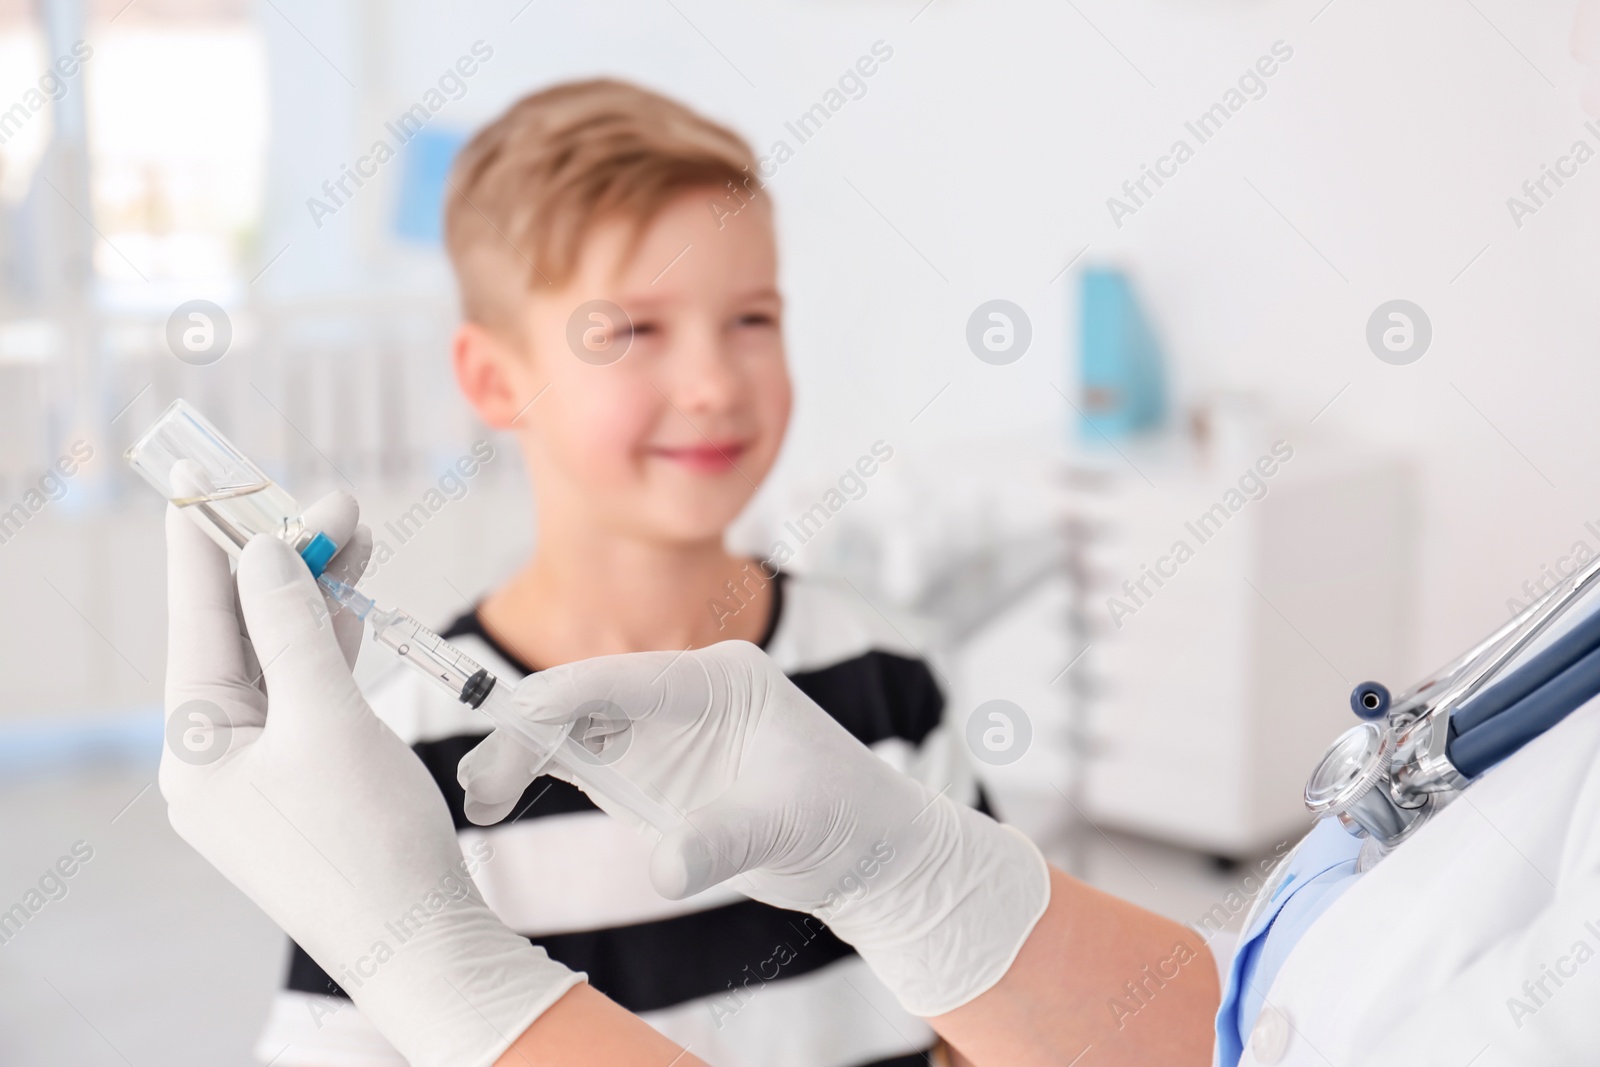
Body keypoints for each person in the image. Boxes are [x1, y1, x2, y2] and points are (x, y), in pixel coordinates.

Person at [256, 79, 991, 1067]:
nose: (714, 383)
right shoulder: (406, 760)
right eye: (631, 330)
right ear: (493, 378)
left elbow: (989, 1012)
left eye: (752, 318)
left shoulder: (888, 677)